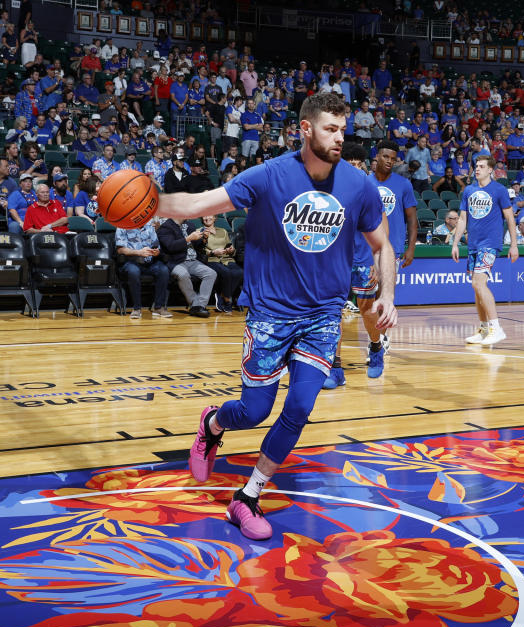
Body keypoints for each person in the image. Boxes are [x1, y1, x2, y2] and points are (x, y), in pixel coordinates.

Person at [155, 93, 396, 540]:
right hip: (271, 314)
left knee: (300, 407)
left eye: (343, 130)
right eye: (330, 128)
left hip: (323, 315)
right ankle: (212, 423)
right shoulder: (268, 176)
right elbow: (201, 203)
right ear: (305, 129)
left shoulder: (358, 185)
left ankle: (247, 497)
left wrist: (389, 295)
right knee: (253, 410)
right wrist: (154, 203)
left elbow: (383, 245)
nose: (339, 137)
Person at [323, 141, 391, 389]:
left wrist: (377, 260)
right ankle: (336, 368)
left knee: (368, 312)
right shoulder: (330, 187)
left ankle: (375, 347)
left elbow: (382, 228)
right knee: (333, 317)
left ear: (362, 165)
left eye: (357, 164)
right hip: (335, 261)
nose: (354, 168)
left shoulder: (369, 190)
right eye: (349, 164)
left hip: (363, 260)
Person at [452, 155, 517, 345]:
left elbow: (510, 218)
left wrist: (514, 245)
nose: (477, 169)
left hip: (490, 243)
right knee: (476, 287)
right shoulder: (469, 190)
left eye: (481, 166)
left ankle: (497, 328)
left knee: (479, 284)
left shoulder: (499, 190)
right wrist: (455, 243)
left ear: (490, 170)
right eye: (476, 166)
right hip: (473, 244)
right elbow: (462, 219)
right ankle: (483, 329)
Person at [369, 140, 417, 268]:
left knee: (387, 287)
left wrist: (411, 248)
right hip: (367, 247)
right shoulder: (364, 182)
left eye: (393, 158)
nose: (389, 161)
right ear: (377, 157)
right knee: (368, 288)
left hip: (392, 247)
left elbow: (412, 219)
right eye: (385, 157)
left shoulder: (404, 184)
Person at [157, 216, 217, 317]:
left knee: (211, 273)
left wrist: (204, 238)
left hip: (192, 260)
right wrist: (188, 238)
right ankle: (195, 305)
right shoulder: (165, 227)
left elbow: (197, 246)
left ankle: (200, 305)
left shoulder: (190, 225)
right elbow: (170, 246)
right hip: (175, 261)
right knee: (183, 274)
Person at [116, 217, 172, 319]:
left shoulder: (149, 225)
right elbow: (120, 250)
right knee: (134, 271)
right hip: (131, 261)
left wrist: (156, 252)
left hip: (149, 262)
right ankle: (137, 308)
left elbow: (156, 246)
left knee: (163, 270)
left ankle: (159, 307)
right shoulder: (123, 225)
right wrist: (138, 252)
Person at [200, 214, 242, 313]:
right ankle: (227, 300)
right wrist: (213, 252)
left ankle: (222, 294)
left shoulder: (222, 231)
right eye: (204, 216)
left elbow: (230, 246)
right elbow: (200, 250)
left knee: (239, 272)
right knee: (226, 272)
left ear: (215, 218)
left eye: (210, 215)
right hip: (211, 259)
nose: (207, 217)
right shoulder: (200, 231)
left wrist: (231, 250)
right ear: (202, 219)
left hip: (226, 259)